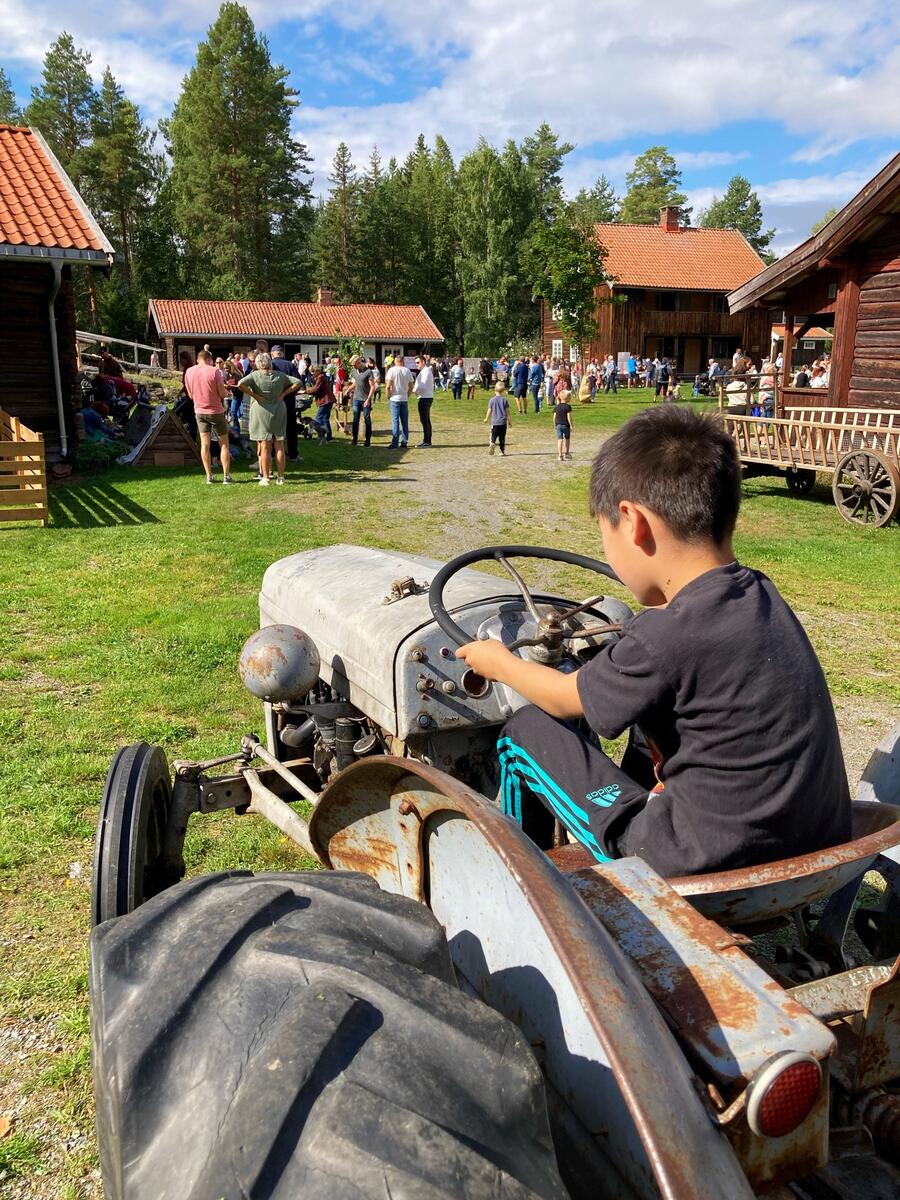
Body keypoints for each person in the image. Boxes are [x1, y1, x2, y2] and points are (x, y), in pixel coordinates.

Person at [455, 405, 851, 878]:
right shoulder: (762, 593)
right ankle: (646, 800)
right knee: (650, 715)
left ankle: (526, 891)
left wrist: (496, 661)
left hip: (696, 861)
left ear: (634, 522)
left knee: (525, 730)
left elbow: (564, 700)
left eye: (606, 534)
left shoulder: (662, 634)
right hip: (818, 846)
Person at [236, 352, 292, 485]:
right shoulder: (280, 376)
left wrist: (254, 395)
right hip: (278, 411)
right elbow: (297, 382)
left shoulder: (255, 375)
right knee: (279, 444)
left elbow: (240, 384)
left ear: (257, 363)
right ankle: (281, 477)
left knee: (264, 445)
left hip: (261, 411)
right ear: (270, 362)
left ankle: (265, 477)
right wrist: (283, 394)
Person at [184, 350, 233, 484]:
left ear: (198, 359)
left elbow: (190, 395)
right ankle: (226, 476)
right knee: (224, 444)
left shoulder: (189, 372)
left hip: (199, 411)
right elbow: (222, 394)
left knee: (205, 444)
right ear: (210, 359)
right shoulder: (214, 371)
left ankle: (209, 476)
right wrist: (226, 391)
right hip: (216, 411)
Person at [270, 346, 302, 460]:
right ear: (282, 354)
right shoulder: (290, 365)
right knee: (291, 429)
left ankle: (273, 454)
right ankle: (293, 454)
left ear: (272, 354)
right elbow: (298, 382)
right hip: (288, 401)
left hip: (273, 402)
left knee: (273, 429)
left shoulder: (270, 365)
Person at [385, 353, 413, 448]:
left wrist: (388, 396)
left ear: (395, 361)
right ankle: (404, 442)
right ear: (403, 361)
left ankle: (395, 442)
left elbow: (388, 386)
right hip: (404, 398)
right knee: (404, 421)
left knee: (395, 421)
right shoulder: (407, 371)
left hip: (394, 398)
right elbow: (411, 386)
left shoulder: (392, 370)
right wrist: (407, 395)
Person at [349, 354, 376, 446]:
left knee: (367, 419)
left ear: (359, 362)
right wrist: (349, 389)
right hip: (356, 398)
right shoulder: (355, 371)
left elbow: (373, 386)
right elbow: (356, 382)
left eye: (354, 365)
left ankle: (367, 441)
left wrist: (368, 399)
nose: (353, 367)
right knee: (355, 419)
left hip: (365, 399)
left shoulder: (368, 372)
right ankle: (354, 439)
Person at [308, 366, 336, 442]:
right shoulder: (322, 377)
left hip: (325, 400)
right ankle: (329, 437)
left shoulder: (320, 377)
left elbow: (315, 389)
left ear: (317, 371)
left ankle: (321, 435)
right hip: (328, 400)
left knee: (318, 419)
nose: (311, 373)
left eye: (312, 371)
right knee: (325, 419)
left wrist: (306, 391)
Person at [413, 355, 435, 447]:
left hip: (425, 397)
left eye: (418, 362)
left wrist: (413, 390)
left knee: (425, 420)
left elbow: (422, 386)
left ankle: (427, 441)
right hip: (425, 397)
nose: (416, 365)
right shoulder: (424, 371)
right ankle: (427, 440)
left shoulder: (426, 371)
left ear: (423, 362)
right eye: (416, 363)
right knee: (425, 420)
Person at [484, 381, 511, 455]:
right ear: (503, 390)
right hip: (503, 422)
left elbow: (489, 410)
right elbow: (507, 412)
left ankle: (492, 442)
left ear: (495, 389)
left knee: (494, 434)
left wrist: (486, 418)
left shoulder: (492, 400)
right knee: (502, 437)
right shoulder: (504, 400)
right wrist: (509, 421)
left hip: (495, 422)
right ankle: (502, 451)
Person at [554, 390, 572, 460]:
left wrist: (555, 424)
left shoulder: (557, 407)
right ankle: (567, 453)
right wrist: (571, 425)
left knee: (559, 439)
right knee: (567, 439)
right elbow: (569, 417)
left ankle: (560, 455)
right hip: (566, 425)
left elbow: (554, 417)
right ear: (567, 398)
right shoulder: (568, 407)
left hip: (558, 425)